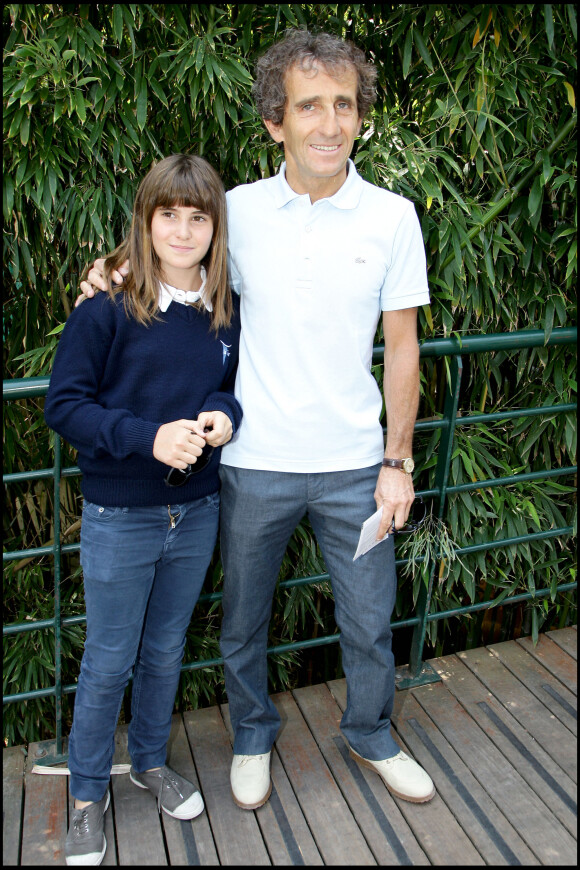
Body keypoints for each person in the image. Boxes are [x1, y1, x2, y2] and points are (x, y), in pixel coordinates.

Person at [79, 29, 435, 811]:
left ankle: (371, 732)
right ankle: (250, 735)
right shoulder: (236, 212)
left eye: (344, 104)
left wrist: (397, 460)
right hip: (250, 463)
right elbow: (173, 259)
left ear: (359, 114)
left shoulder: (393, 216)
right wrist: (113, 268)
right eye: (310, 106)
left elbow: (403, 348)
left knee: (371, 621)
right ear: (276, 121)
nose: (330, 122)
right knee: (242, 620)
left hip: (354, 462)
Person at [45, 153, 242, 865]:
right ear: (147, 220)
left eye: (198, 217)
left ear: (215, 228)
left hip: (196, 509)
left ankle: (150, 762)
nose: (184, 231)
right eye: (169, 215)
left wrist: (221, 419)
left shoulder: (223, 312)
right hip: (120, 514)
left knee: (165, 650)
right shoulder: (106, 309)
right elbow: (63, 407)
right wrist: (146, 438)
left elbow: (228, 386)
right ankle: (89, 796)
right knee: (108, 661)